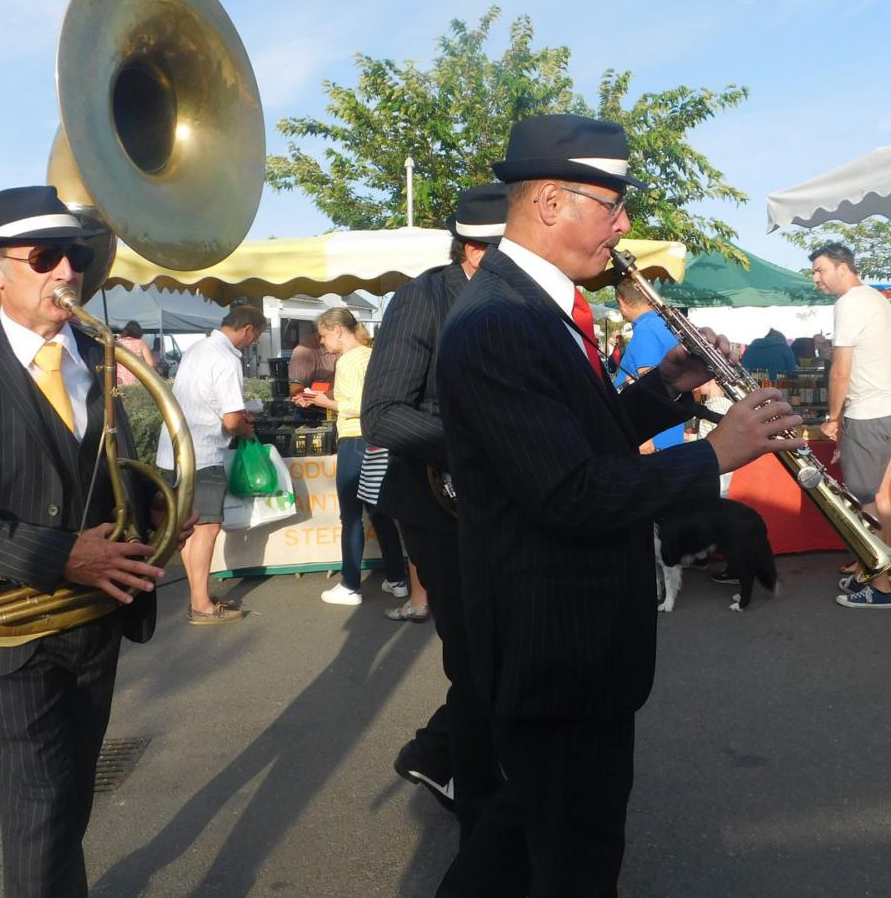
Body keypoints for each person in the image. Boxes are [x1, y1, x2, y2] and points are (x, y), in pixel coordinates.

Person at [434, 114, 800, 896]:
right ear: (550, 205)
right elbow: (568, 492)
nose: (624, 223)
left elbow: (581, 441)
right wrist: (715, 454)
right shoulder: (501, 320)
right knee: (577, 856)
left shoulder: (534, 308)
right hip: (555, 643)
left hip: (572, 639)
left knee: (524, 837)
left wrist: (667, 386)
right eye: (611, 203)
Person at [0, 186, 193, 898]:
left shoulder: (100, 353)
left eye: (77, 256)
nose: (68, 272)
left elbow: (104, 473)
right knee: (39, 805)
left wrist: (149, 503)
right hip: (8, 627)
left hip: (95, 619)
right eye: (45, 257)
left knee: (69, 800)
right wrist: (62, 555)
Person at [361, 183, 509, 830]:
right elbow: (384, 415)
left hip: (495, 507)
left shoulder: (512, 298)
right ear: (473, 250)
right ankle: (477, 811)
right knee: (479, 657)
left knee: (498, 654)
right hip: (435, 503)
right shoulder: (423, 297)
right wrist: (486, 446)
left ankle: (438, 754)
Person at [810, 243, 891, 610]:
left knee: (861, 501)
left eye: (820, 270)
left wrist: (833, 418)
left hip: (868, 412)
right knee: (879, 497)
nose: (816, 278)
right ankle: (872, 569)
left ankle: (880, 587)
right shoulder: (876, 298)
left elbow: (841, 369)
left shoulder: (849, 303)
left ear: (842, 268)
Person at [155, 305, 268, 625]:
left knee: (191, 529)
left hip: (174, 449)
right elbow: (231, 421)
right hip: (203, 453)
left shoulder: (198, 348)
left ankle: (198, 596)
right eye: (255, 337)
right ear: (247, 330)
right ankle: (202, 605)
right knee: (206, 529)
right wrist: (247, 428)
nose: (252, 343)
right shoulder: (227, 359)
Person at [298, 307, 409, 605]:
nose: (322, 342)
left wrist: (324, 401)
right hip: (376, 438)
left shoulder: (347, 360)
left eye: (323, 335)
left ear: (337, 330)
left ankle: (350, 585)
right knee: (379, 511)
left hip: (353, 438)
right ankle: (397, 579)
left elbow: (358, 404)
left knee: (350, 515)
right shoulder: (371, 353)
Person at [613, 275, 685, 453]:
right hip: (668, 434)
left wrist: (645, 439)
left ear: (622, 302)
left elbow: (650, 385)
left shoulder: (646, 330)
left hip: (650, 439)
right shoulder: (666, 325)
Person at [114, 320, 156, 386]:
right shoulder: (141, 343)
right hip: (136, 380)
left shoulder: (117, 343)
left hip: (119, 380)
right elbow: (150, 364)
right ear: (139, 332)